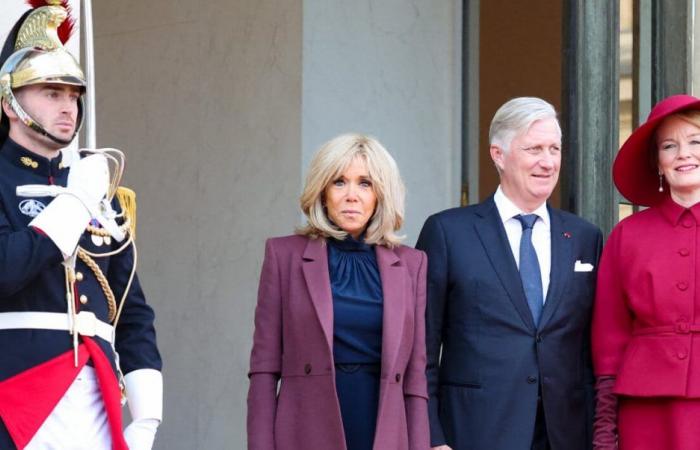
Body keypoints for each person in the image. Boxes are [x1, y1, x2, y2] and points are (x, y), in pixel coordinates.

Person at [0, 2, 162, 449]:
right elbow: (7, 270)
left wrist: (147, 414)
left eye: (74, 95)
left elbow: (131, 309)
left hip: (95, 397)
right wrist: (74, 202)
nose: (68, 106)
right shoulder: (72, 191)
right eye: (51, 93)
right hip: (15, 393)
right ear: (10, 101)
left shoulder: (97, 191)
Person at [416, 97, 603, 450]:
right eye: (534, 148)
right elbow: (420, 347)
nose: (547, 162)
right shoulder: (447, 232)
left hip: (565, 434)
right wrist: (432, 437)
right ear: (498, 154)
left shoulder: (584, 237)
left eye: (554, 149)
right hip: (474, 431)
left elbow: (593, 349)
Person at [247, 133, 429, 450]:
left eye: (365, 183)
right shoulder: (283, 256)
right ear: (323, 192)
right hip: (306, 426)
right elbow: (264, 368)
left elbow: (415, 379)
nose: (351, 195)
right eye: (339, 182)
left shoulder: (412, 264)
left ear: (381, 194)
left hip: (383, 426)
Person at [591, 94, 700, 450]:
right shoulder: (628, 234)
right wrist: (605, 429)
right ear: (657, 162)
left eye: (696, 141)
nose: (683, 153)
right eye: (670, 145)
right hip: (645, 408)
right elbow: (610, 336)